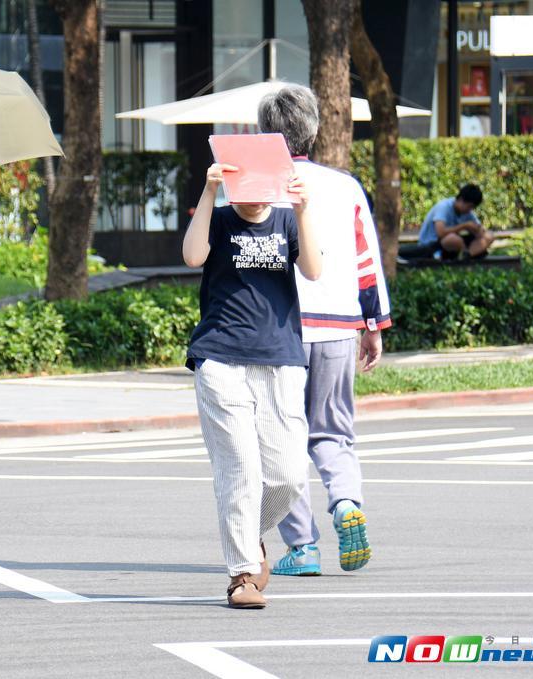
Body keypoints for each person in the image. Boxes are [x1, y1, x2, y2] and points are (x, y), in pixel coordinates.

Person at [255, 85, 392, 578]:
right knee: (333, 432)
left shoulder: (256, 187)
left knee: (281, 441)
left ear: (264, 133)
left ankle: (303, 546)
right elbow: (366, 261)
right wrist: (372, 325)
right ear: (313, 129)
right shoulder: (346, 186)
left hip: (280, 330)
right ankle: (346, 503)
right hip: (339, 324)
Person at [183, 152, 321, 609]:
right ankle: (242, 574)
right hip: (220, 358)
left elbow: (315, 269)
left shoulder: (285, 220)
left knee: (289, 475)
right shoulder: (220, 221)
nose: (251, 197)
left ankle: (248, 533)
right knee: (240, 468)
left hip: (280, 359)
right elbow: (192, 256)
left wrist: (302, 209)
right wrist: (208, 192)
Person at [414, 184, 492, 260]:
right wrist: (464, 226)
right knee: (453, 239)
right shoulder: (444, 207)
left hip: (452, 244)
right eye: (469, 206)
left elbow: (480, 229)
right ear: (461, 199)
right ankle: (463, 254)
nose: (470, 210)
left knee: (489, 236)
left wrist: (477, 230)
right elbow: (440, 233)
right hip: (432, 244)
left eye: (472, 207)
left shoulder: (467, 212)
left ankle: (467, 255)